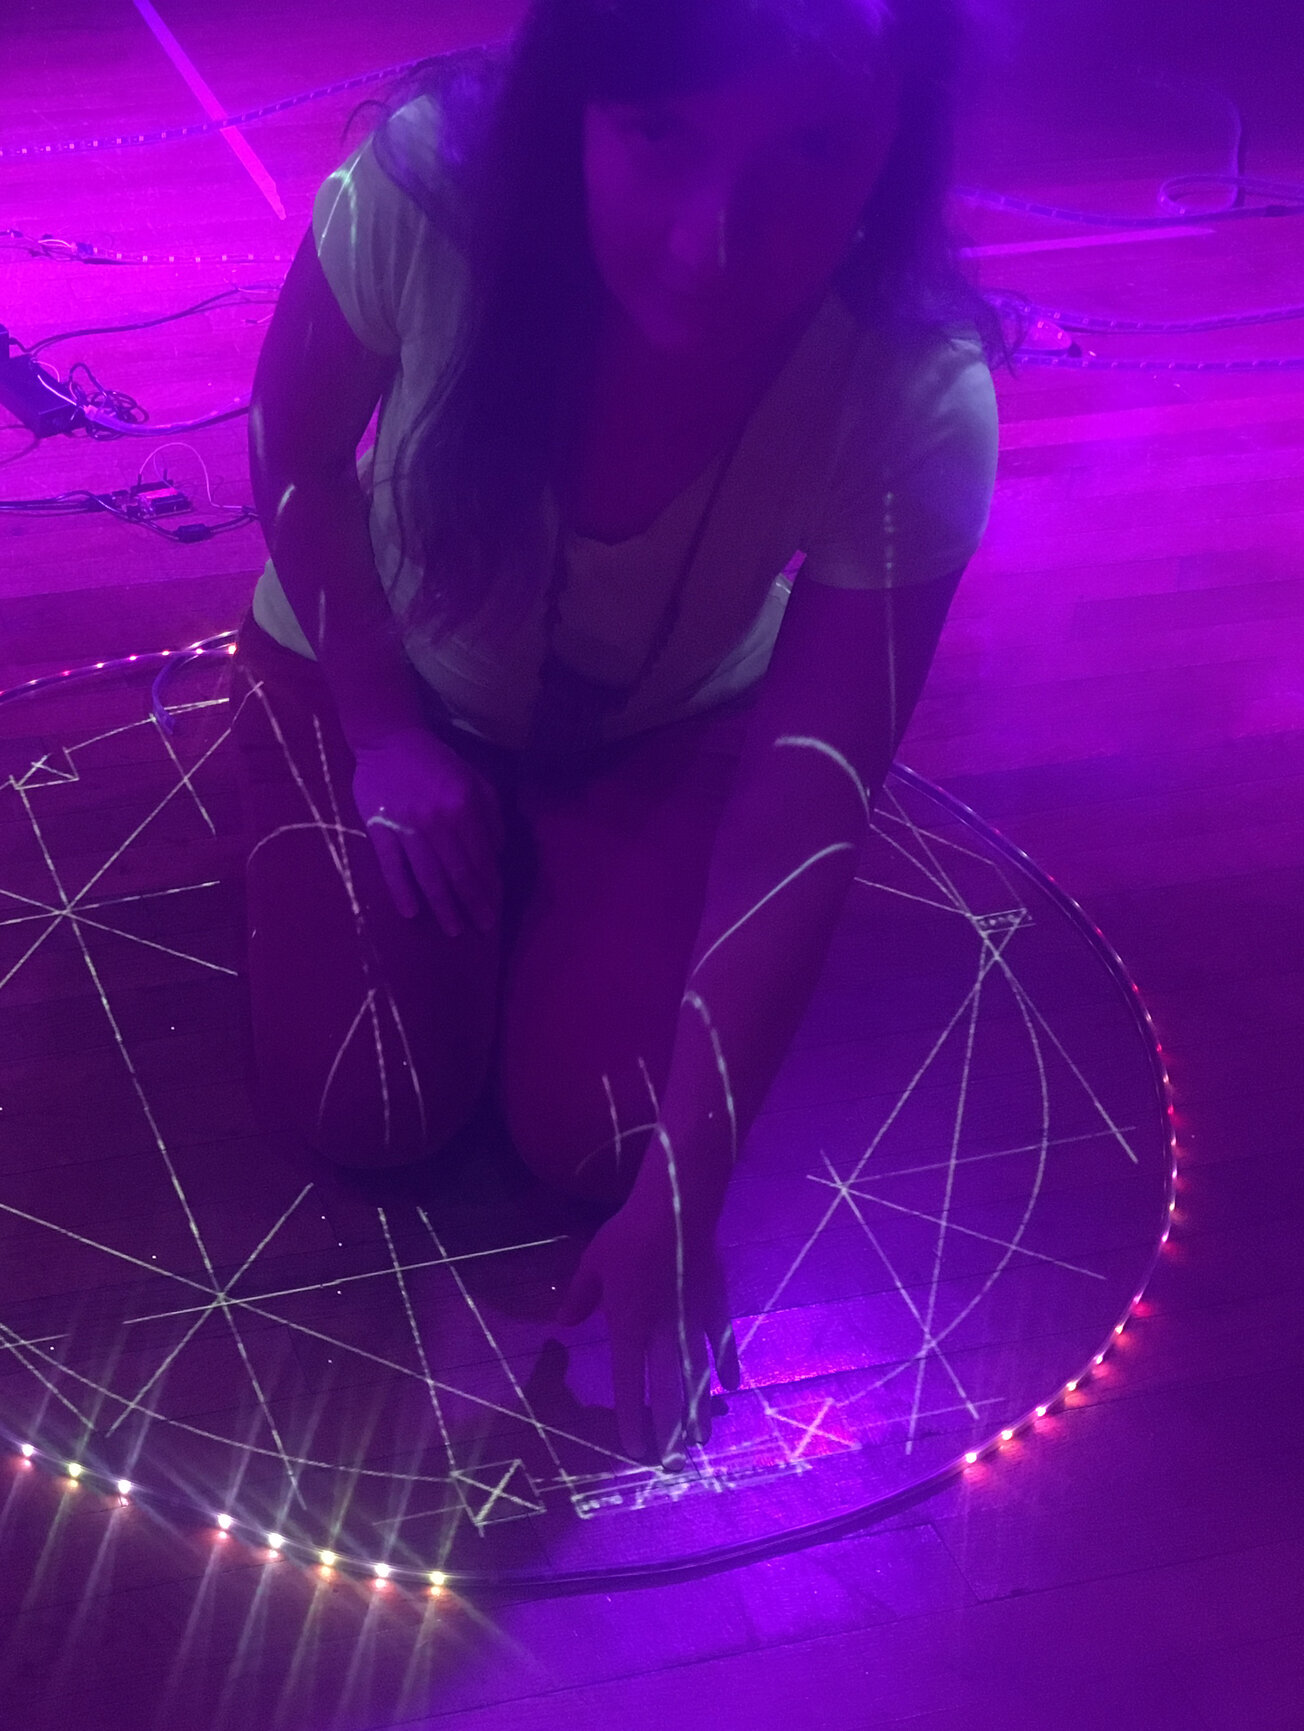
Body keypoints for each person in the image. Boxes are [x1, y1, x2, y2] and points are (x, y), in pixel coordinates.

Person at [239, 0, 1001, 1464]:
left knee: (607, 1135)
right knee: (365, 1096)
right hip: (368, 666)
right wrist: (381, 728)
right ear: (575, 106)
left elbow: (809, 808)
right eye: (662, 138)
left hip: (663, 722)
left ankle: (539, 893)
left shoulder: (915, 388)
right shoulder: (428, 191)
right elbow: (291, 443)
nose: (716, 245)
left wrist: (683, 1198)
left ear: (897, 148)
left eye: (811, 154)